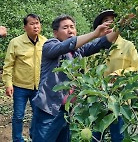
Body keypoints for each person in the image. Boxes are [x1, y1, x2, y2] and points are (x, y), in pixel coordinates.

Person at [32, 14, 119, 142]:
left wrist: (121, 25)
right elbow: (66, 45)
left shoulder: (78, 51)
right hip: (48, 110)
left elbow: (101, 43)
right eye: (65, 27)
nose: (70, 30)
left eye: (72, 27)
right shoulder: (49, 45)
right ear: (56, 33)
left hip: (66, 112)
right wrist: (94, 34)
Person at [92, 10, 138, 142]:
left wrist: (118, 74)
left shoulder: (127, 46)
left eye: (112, 20)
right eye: (105, 20)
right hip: (98, 99)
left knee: (118, 137)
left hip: (120, 100)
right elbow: (88, 71)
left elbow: (135, 68)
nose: (109, 22)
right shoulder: (94, 47)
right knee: (95, 136)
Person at [2, 14, 47, 142]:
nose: (35, 26)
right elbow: (8, 65)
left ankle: (35, 137)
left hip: (38, 86)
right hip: (20, 86)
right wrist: (8, 83)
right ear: (25, 27)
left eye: (37, 23)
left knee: (38, 115)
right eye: (32, 24)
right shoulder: (16, 42)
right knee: (18, 116)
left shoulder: (45, 42)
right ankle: (17, 139)